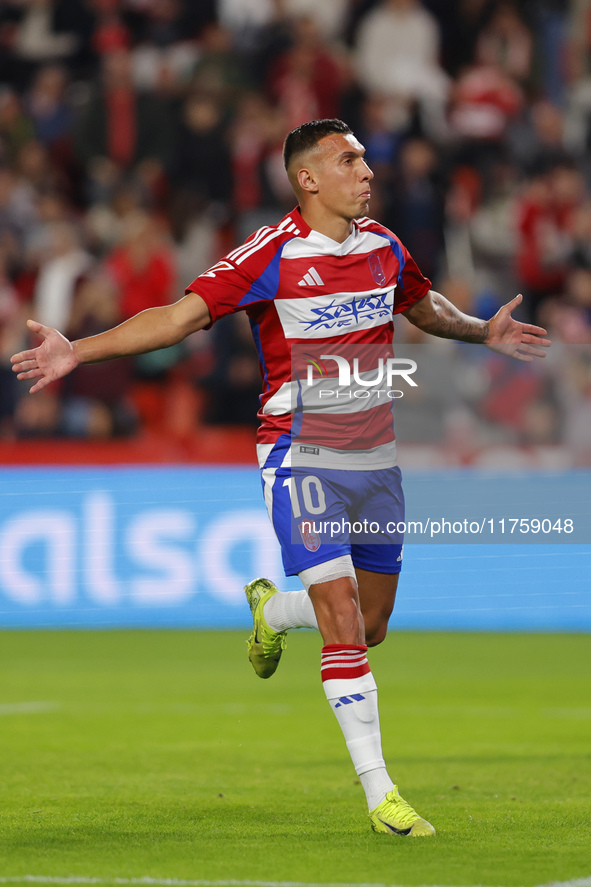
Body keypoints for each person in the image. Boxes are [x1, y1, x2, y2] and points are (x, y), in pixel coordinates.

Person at [11, 118, 550, 838]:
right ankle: (381, 793)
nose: (365, 171)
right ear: (308, 179)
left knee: (370, 623)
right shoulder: (270, 253)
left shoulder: (385, 245)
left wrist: (481, 330)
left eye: (363, 159)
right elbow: (176, 318)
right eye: (349, 160)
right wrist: (76, 350)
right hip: (298, 450)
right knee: (339, 616)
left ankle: (271, 613)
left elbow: (422, 307)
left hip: (375, 457)